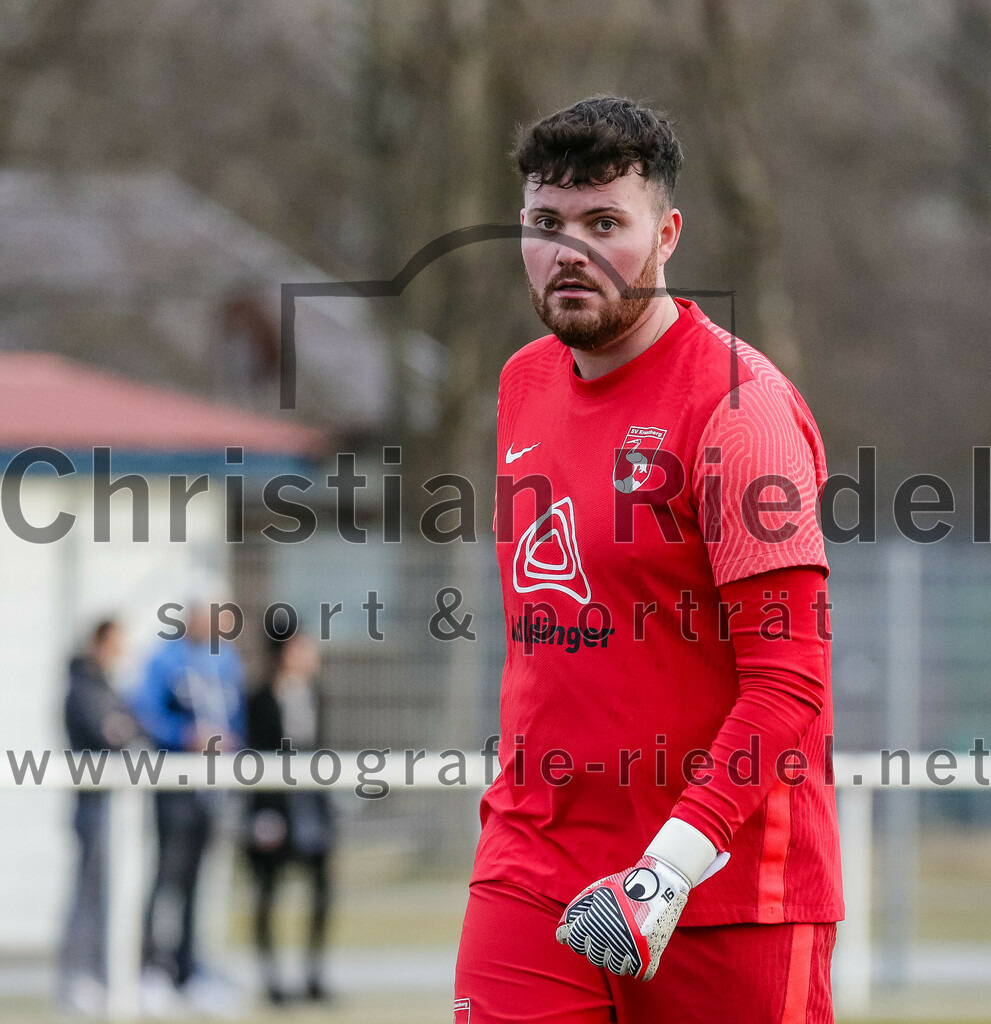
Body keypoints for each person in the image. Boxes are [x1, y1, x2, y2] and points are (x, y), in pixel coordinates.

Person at [454, 96, 843, 1023]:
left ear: (665, 235)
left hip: (718, 887)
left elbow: (789, 680)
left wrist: (668, 865)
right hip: (533, 864)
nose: (570, 252)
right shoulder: (522, 383)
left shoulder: (738, 409)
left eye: (604, 225)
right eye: (546, 224)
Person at [129, 602, 245, 1005]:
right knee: (168, 875)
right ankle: (151, 966)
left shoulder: (226, 660)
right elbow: (145, 713)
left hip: (213, 785)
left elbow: (236, 716)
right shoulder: (164, 659)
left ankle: (189, 968)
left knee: (199, 879)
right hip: (176, 782)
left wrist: (232, 743)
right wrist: (184, 736)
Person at [243, 632, 336, 1004]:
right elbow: (255, 755)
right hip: (275, 806)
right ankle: (272, 981)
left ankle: (313, 976)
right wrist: (262, 814)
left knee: (322, 890)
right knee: (267, 891)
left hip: (310, 805)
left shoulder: (315, 695)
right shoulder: (260, 698)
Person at [59, 618, 143, 1015]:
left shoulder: (109, 687)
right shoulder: (83, 688)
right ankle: (78, 975)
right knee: (89, 892)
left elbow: (135, 727)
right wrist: (121, 728)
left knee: (112, 891)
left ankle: (101, 973)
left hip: (115, 807)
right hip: (92, 806)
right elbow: (108, 733)